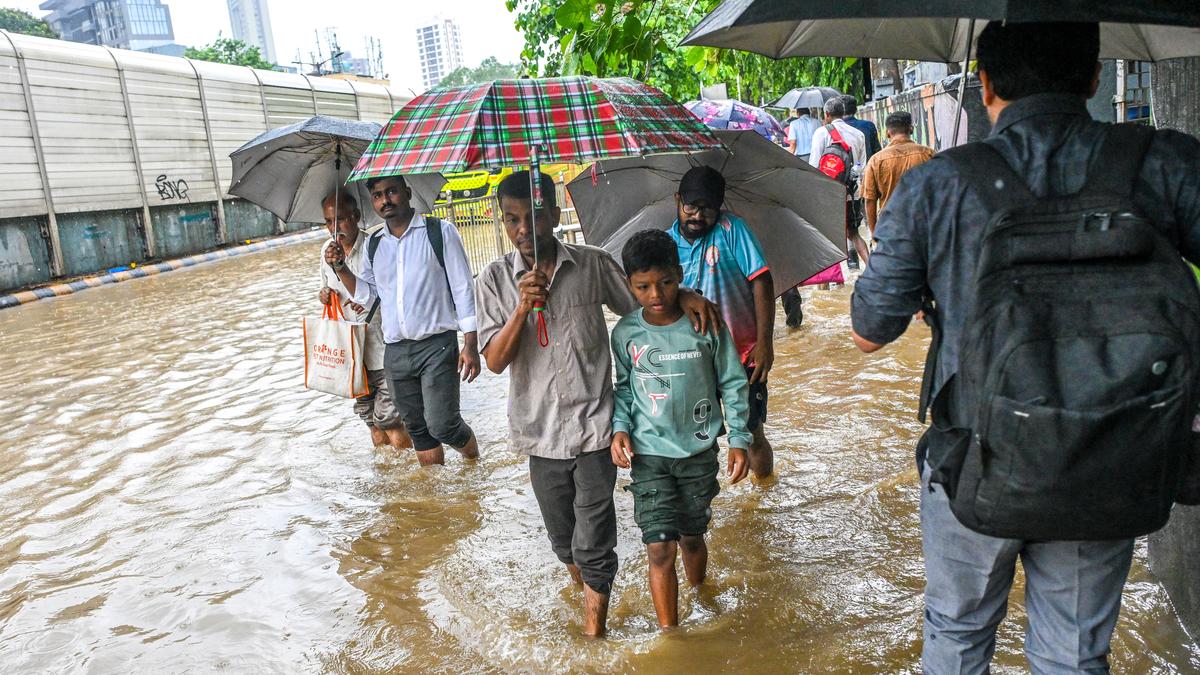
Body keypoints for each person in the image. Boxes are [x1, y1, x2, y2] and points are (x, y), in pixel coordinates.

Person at [851, 21, 1200, 673]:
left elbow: (869, 331)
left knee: (957, 633)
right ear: (1095, 77)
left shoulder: (937, 183)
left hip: (974, 454)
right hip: (1110, 452)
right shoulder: (1162, 162)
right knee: (1072, 652)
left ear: (985, 84)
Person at [474, 171, 722, 637]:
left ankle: (594, 636)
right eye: (512, 219)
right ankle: (588, 589)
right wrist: (521, 310)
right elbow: (493, 360)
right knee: (564, 542)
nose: (524, 228)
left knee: (593, 539)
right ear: (501, 222)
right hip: (539, 432)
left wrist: (682, 293)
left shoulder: (590, 264)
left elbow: (647, 303)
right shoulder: (492, 280)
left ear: (553, 212)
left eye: (533, 215)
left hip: (596, 425)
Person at [610, 229, 751, 630]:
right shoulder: (625, 333)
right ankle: (671, 635)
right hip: (649, 455)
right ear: (629, 285)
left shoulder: (703, 323)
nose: (656, 294)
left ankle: (700, 595)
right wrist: (619, 429)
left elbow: (733, 381)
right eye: (643, 286)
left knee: (691, 536)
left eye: (666, 282)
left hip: (699, 452)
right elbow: (623, 389)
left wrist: (739, 438)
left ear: (680, 273)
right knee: (658, 549)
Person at [324, 174, 481, 467]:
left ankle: (474, 461)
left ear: (407, 193)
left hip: (437, 345)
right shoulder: (375, 245)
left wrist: (470, 344)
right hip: (395, 351)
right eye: (378, 195)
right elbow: (368, 297)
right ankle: (436, 497)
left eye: (391, 192)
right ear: (372, 202)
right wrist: (341, 269)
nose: (385, 200)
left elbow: (463, 289)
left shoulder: (440, 232)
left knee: (443, 425)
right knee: (420, 431)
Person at [666, 165, 776, 480]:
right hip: (690, 361)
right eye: (691, 207)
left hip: (743, 356)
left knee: (752, 432)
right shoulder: (665, 243)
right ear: (677, 200)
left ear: (720, 209)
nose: (698, 216)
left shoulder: (732, 230)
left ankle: (765, 493)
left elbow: (762, 281)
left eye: (708, 209)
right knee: (697, 438)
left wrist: (765, 344)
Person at [317, 191, 412, 450]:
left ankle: (413, 480)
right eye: (328, 222)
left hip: (382, 350)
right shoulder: (327, 252)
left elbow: (393, 292)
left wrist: (368, 297)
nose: (334, 228)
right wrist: (324, 295)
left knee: (390, 420)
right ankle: (387, 478)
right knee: (370, 420)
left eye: (341, 219)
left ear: (356, 217)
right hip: (352, 355)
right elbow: (325, 289)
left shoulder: (375, 246)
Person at [809, 96, 871, 268]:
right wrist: (850, 175)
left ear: (827, 114)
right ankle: (873, 270)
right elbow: (861, 165)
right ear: (843, 113)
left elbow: (814, 166)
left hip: (827, 194)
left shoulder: (821, 133)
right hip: (852, 192)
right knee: (854, 234)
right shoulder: (858, 134)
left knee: (825, 238)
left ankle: (831, 282)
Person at [860, 111, 935, 237]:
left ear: (887, 133)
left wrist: (874, 234)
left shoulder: (876, 160)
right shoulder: (929, 154)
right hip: (924, 226)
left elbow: (870, 200)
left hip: (890, 228)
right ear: (911, 129)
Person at [841, 95, 882, 160]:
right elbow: (877, 152)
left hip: (844, 169)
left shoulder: (833, 129)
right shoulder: (868, 125)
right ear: (855, 109)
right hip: (867, 167)